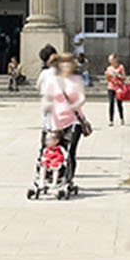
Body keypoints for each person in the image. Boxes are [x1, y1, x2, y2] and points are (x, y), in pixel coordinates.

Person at [38, 48, 87, 190]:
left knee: (70, 152)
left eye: (68, 64)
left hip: (73, 121)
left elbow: (82, 97)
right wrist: (46, 107)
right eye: (63, 64)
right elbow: (47, 97)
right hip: (56, 121)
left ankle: (68, 179)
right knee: (55, 151)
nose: (66, 66)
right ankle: (54, 176)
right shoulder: (53, 80)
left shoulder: (76, 79)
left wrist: (75, 105)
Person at [105, 54, 128, 125]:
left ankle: (121, 118)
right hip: (111, 87)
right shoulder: (109, 68)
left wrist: (118, 75)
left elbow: (124, 78)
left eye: (111, 59)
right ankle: (111, 120)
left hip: (119, 87)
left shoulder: (120, 67)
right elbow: (107, 79)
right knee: (111, 103)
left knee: (119, 104)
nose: (110, 61)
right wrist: (107, 75)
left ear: (115, 59)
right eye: (109, 59)